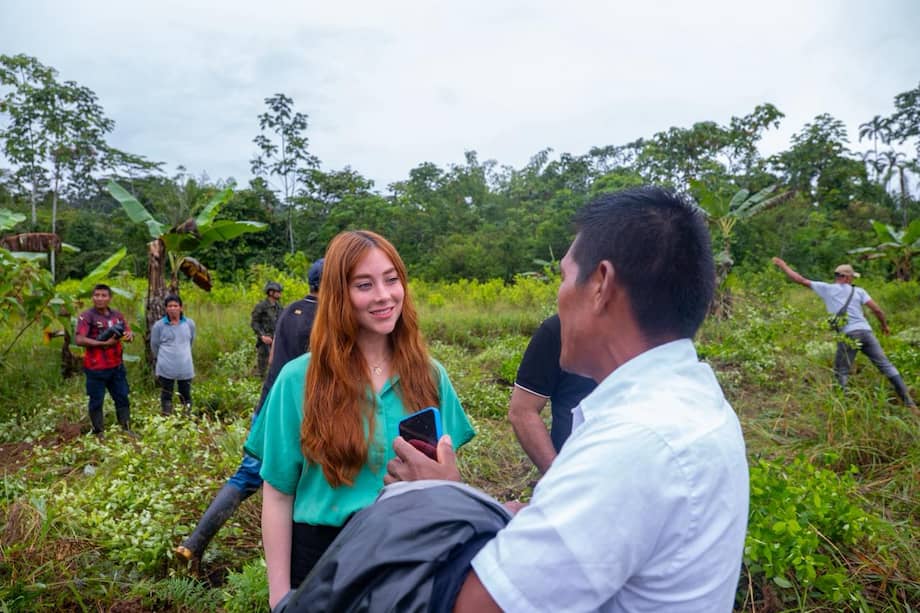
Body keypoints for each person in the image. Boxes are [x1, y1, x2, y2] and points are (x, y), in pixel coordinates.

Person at [386, 187, 750, 612]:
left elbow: (476, 606)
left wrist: (440, 498)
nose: (558, 296)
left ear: (600, 284)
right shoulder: (694, 402)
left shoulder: (631, 445)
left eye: (562, 276)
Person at [245, 230, 475, 609]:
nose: (384, 296)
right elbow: (279, 493)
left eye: (391, 279)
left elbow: (447, 479)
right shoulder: (298, 380)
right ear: (338, 294)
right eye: (364, 285)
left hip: (412, 555)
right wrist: (280, 597)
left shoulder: (430, 376)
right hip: (323, 560)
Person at [176, 258, 324, 563]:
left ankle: (194, 542)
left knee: (248, 475)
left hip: (269, 401)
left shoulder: (288, 311)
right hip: (300, 409)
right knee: (302, 478)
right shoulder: (330, 317)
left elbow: (271, 362)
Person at [772, 258, 916, 408]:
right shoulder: (859, 291)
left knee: (841, 370)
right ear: (847, 277)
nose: (852, 279)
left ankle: (842, 405)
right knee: (886, 365)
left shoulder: (826, 288)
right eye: (852, 277)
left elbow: (799, 279)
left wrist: (784, 266)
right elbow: (877, 310)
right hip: (866, 332)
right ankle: (909, 402)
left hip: (848, 334)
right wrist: (884, 326)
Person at [509, 313, 596, 473]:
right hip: (573, 471)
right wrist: (556, 475)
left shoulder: (653, 333)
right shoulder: (559, 329)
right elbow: (522, 410)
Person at [74, 283, 136, 437]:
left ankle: (126, 429)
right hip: (95, 367)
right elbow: (79, 339)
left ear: (110, 298)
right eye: (96, 295)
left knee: (122, 397)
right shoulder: (87, 316)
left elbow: (128, 332)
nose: (100, 299)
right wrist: (103, 344)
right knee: (96, 400)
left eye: (103, 295)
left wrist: (129, 336)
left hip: (116, 365)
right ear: (92, 297)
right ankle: (98, 432)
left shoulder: (117, 315)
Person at [150, 294, 196, 415]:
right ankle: (167, 417)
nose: (172, 308)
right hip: (166, 366)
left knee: (185, 394)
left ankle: (187, 417)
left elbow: (190, 342)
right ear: (166, 309)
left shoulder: (189, 324)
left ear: (181, 308)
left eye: (175, 306)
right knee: (166, 394)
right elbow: (154, 346)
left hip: (185, 366)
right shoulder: (159, 325)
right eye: (169, 306)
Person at [251, 280, 283, 378]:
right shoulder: (261, 306)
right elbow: (254, 322)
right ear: (271, 292)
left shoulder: (279, 307)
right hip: (265, 341)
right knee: (263, 370)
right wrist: (262, 336)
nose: (280, 294)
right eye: (278, 291)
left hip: (276, 340)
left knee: (276, 368)